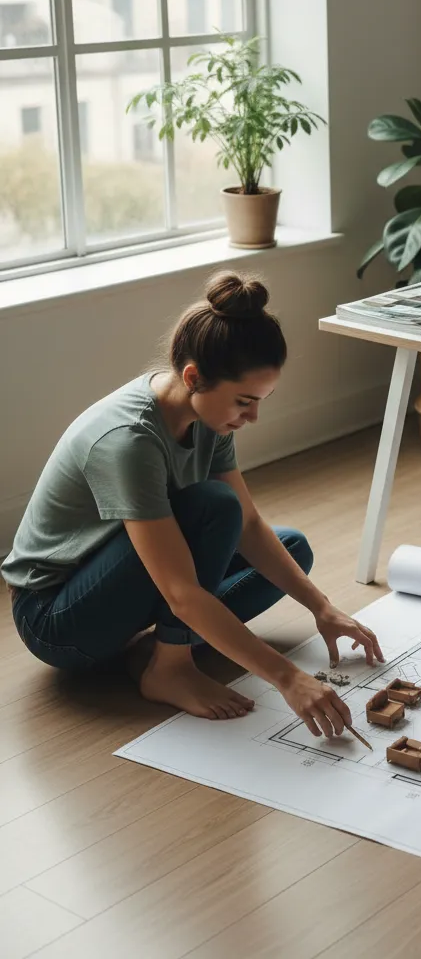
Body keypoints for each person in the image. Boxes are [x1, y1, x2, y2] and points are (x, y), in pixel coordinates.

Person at [2, 271, 383, 739]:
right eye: (245, 401)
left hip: (121, 583)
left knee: (292, 548)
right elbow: (182, 590)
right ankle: (170, 667)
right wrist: (287, 677)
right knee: (212, 506)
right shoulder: (128, 441)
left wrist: (321, 607)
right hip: (57, 619)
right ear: (192, 378)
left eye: (261, 401)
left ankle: (157, 649)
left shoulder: (208, 417)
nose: (253, 416)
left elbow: (248, 525)